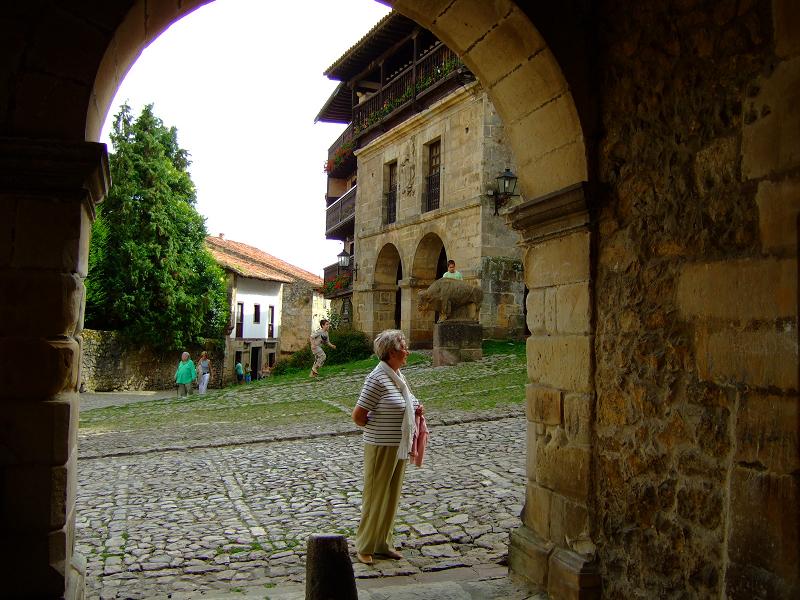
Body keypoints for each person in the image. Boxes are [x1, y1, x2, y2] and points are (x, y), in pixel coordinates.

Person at [351, 329, 424, 565]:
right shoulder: (377, 378)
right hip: (381, 445)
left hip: (399, 445)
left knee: (391, 496)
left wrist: (415, 409)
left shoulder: (397, 375)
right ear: (391, 352)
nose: (408, 352)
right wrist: (378, 427)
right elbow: (359, 415)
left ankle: (383, 543)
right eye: (404, 348)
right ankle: (364, 545)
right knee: (375, 496)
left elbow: (406, 402)